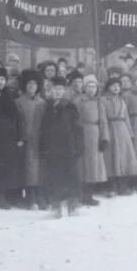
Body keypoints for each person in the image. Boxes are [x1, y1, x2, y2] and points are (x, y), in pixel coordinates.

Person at [40, 77, 84, 218]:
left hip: (68, 147)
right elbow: (43, 129)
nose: (57, 92)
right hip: (53, 148)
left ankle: (72, 206)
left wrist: (79, 145)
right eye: (55, 89)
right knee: (55, 177)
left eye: (60, 89)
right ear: (50, 91)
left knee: (71, 176)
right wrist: (43, 146)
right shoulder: (47, 107)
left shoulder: (70, 107)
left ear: (64, 91)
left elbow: (78, 128)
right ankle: (56, 206)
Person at [0, 68, 23, 209]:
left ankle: (3, 197)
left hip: (8, 137)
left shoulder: (9, 95)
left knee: (6, 167)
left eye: (2, 79)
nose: (0, 82)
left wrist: (19, 135)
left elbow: (17, 117)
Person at [101, 77, 137, 193]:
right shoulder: (103, 100)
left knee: (124, 157)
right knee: (111, 157)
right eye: (113, 86)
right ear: (108, 87)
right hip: (110, 128)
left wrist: (130, 133)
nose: (116, 88)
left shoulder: (122, 101)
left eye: (118, 86)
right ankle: (111, 186)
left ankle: (122, 185)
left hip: (122, 130)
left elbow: (126, 118)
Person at [14, 70, 46, 209]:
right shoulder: (18, 102)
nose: (32, 86)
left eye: (34, 84)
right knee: (27, 169)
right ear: (24, 86)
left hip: (39, 139)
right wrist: (20, 137)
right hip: (25, 140)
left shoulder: (43, 102)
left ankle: (40, 196)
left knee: (39, 169)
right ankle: (30, 196)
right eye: (29, 84)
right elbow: (17, 122)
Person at [74, 75, 107, 206]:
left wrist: (104, 138)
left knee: (94, 167)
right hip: (83, 133)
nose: (91, 89)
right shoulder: (79, 101)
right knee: (83, 166)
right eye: (89, 86)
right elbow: (75, 120)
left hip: (96, 133)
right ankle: (81, 195)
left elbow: (103, 121)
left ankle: (89, 194)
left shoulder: (99, 102)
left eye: (94, 86)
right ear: (84, 87)